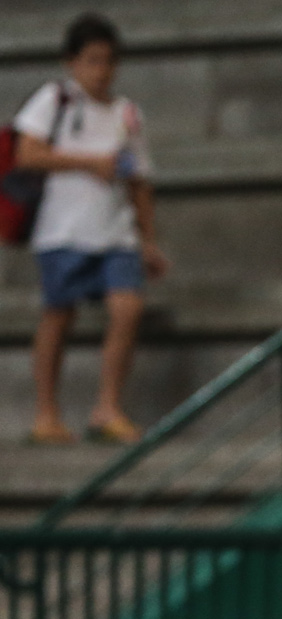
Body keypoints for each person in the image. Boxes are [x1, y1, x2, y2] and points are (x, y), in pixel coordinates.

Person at [14, 12, 165, 447]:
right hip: (63, 230)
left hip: (115, 232)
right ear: (72, 62)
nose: (101, 71)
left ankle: (108, 407)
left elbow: (139, 181)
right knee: (58, 316)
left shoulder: (126, 113)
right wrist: (88, 163)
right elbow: (28, 154)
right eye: (92, 60)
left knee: (127, 308)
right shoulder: (55, 100)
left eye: (109, 61)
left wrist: (148, 239)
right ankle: (46, 413)